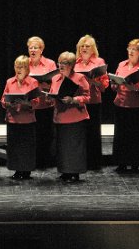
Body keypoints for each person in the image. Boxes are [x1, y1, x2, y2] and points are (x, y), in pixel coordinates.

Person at [111, 39, 139, 173]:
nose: (131, 51)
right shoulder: (122, 64)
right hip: (120, 104)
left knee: (135, 136)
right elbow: (114, 84)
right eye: (129, 48)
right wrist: (115, 84)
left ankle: (135, 164)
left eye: (134, 49)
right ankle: (121, 163)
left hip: (137, 107)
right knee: (121, 135)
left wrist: (133, 87)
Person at [50, 52, 90, 183]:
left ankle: (74, 173)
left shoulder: (79, 78)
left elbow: (87, 97)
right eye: (59, 62)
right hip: (60, 117)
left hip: (75, 118)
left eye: (65, 63)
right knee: (62, 147)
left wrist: (73, 99)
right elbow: (53, 94)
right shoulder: (55, 78)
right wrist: (49, 97)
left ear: (72, 65)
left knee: (74, 147)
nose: (61, 65)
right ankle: (65, 171)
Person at [1, 55, 39, 180]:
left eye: (22, 67)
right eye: (17, 66)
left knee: (26, 147)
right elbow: (3, 99)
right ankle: (17, 170)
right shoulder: (9, 81)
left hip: (27, 119)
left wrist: (26, 103)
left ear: (27, 68)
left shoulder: (33, 82)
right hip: (13, 119)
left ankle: (26, 170)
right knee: (14, 146)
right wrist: (7, 103)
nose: (19, 69)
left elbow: (36, 101)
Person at [73, 35, 108, 170]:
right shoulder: (75, 63)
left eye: (87, 46)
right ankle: (80, 161)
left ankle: (93, 163)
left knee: (93, 133)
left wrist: (93, 81)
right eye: (82, 46)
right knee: (80, 133)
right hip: (79, 101)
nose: (84, 48)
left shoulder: (99, 62)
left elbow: (104, 86)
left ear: (93, 49)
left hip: (93, 101)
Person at [27, 36, 57, 168]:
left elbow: (56, 82)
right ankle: (32, 161)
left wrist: (45, 84)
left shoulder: (50, 64)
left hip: (45, 104)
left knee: (46, 134)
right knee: (31, 135)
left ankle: (46, 161)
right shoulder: (24, 62)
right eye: (31, 47)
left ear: (41, 49)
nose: (33, 50)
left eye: (36, 47)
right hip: (30, 105)